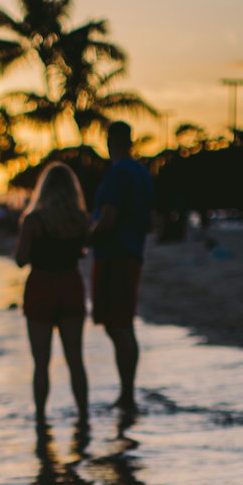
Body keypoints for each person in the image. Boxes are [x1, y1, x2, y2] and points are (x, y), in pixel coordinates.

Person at [14, 162, 90, 425]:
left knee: (41, 363)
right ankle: (83, 416)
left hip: (41, 288)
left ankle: (41, 420)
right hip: (70, 286)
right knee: (75, 359)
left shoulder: (33, 220)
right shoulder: (79, 219)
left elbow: (21, 260)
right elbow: (83, 251)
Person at [90, 121, 154, 410]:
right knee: (124, 323)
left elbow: (108, 218)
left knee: (117, 325)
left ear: (110, 141)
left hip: (114, 254)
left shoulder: (118, 173)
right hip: (133, 252)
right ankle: (127, 392)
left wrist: (83, 238)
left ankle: (127, 394)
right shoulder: (142, 173)